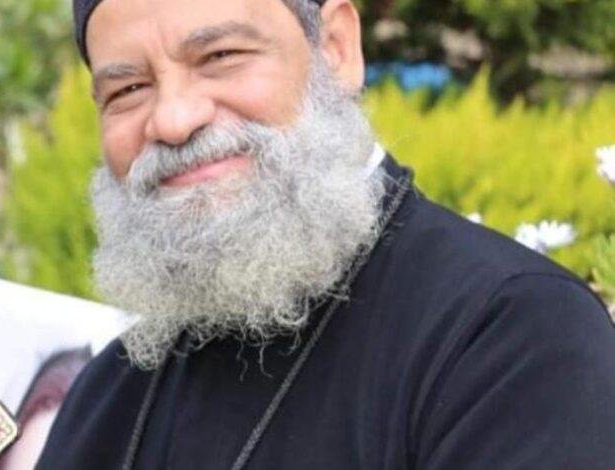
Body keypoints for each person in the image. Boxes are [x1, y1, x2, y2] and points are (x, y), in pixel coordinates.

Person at [38, 0, 615, 468]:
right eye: (127, 90)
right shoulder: (107, 392)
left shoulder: (513, 333)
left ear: (336, 47)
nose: (172, 120)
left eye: (220, 56)